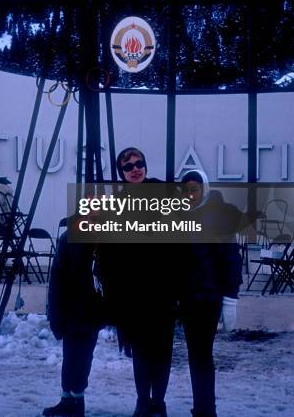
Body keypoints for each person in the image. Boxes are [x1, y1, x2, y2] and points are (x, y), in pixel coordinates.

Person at [99, 147, 177, 417]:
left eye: (139, 163)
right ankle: (143, 401)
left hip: (163, 291)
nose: (135, 169)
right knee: (142, 350)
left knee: (163, 349)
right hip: (132, 294)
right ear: (121, 173)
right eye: (128, 166)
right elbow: (108, 256)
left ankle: (159, 402)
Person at [177, 169, 243, 417]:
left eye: (194, 189)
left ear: (203, 189)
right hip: (187, 299)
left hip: (207, 299)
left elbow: (231, 260)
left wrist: (230, 299)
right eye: (185, 190)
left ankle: (206, 410)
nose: (190, 195)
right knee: (196, 355)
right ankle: (202, 408)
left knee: (201, 355)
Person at [43, 228, 104, 417]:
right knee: (70, 355)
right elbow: (57, 277)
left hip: (90, 309)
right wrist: (55, 313)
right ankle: (67, 398)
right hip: (70, 308)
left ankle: (76, 399)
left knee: (82, 355)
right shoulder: (68, 238)